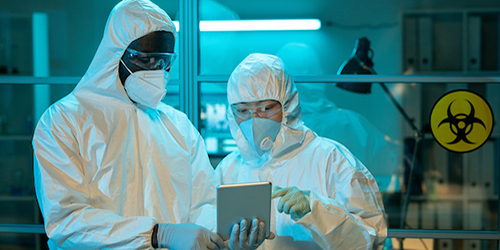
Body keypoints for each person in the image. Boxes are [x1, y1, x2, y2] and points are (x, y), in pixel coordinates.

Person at [33, 1, 266, 249]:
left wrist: (228, 234)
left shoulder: (178, 126)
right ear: (116, 54)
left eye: (163, 61)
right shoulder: (64, 121)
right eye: (146, 60)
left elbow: (202, 203)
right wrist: (156, 234)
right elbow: (66, 220)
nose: (156, 70)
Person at [216, 53, 388, 250]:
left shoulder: (332, 160)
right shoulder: (228, 169)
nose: (254, 119)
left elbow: (370, 240)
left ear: (288, 103)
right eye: (242, 111)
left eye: (266, 108)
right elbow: (210, 234)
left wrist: (316, 211)